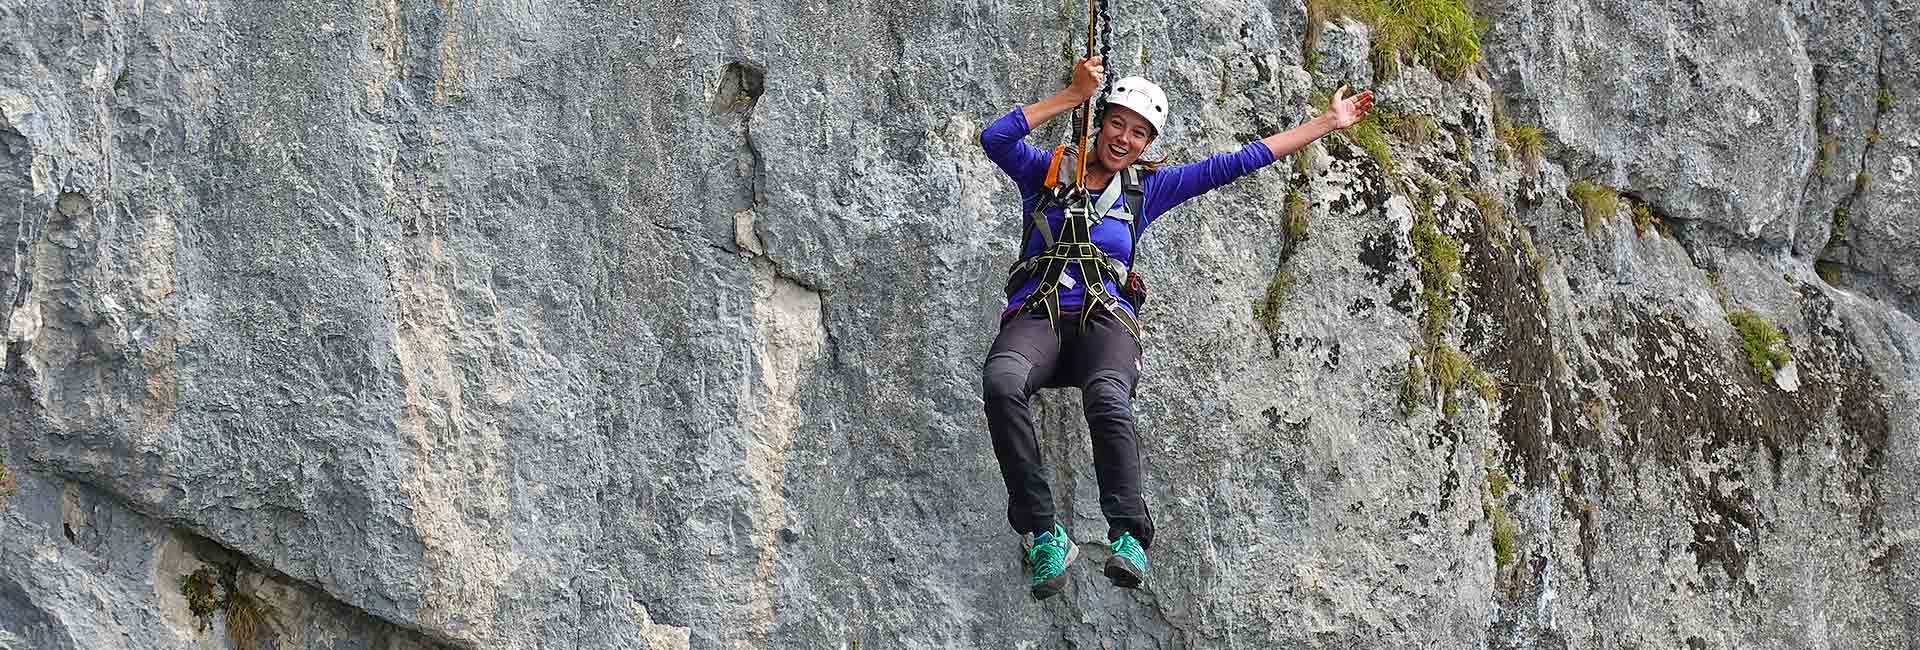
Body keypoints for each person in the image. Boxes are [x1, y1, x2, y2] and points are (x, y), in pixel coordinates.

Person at [978, 55, 1376, 600]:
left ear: (1147, 144)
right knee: (1001, 383)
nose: (1124, 137)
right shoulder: (1046, 173)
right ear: (1100, 123)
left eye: (1139, 133)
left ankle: (1129, 536)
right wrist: (1071, 94)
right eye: (1117, 122)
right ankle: (1044, 533)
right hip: (1039, 315)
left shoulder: (1147, 191)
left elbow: (1236, 162)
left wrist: (1327, 123)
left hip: (1103, 320)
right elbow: (995, 138)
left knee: (1108, 396)